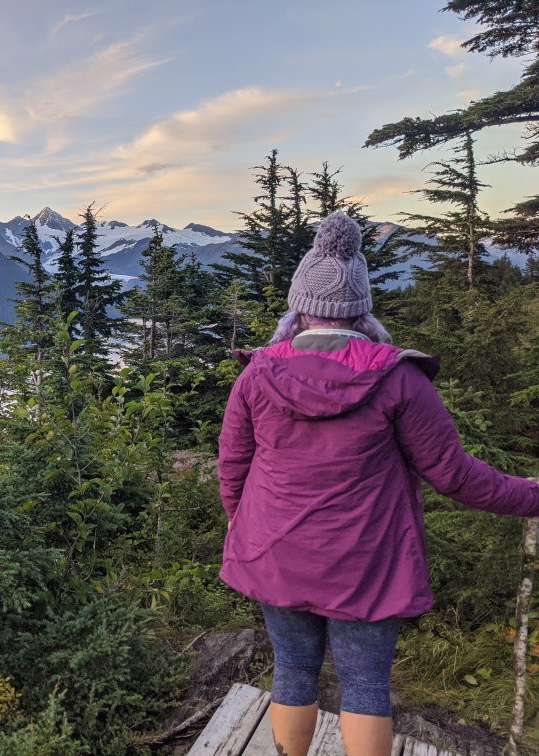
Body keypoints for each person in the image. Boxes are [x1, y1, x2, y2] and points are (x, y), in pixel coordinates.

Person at [216, 211, 539, 756]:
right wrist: (532, 494)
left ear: (299, 306)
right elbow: (455, 476)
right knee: (365, 686)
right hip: (367, 559)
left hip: (275, 548)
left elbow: (233, 472)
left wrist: (248, 529)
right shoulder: (398, 378)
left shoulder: (257, 373)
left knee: (292, 670)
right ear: (360, 306)